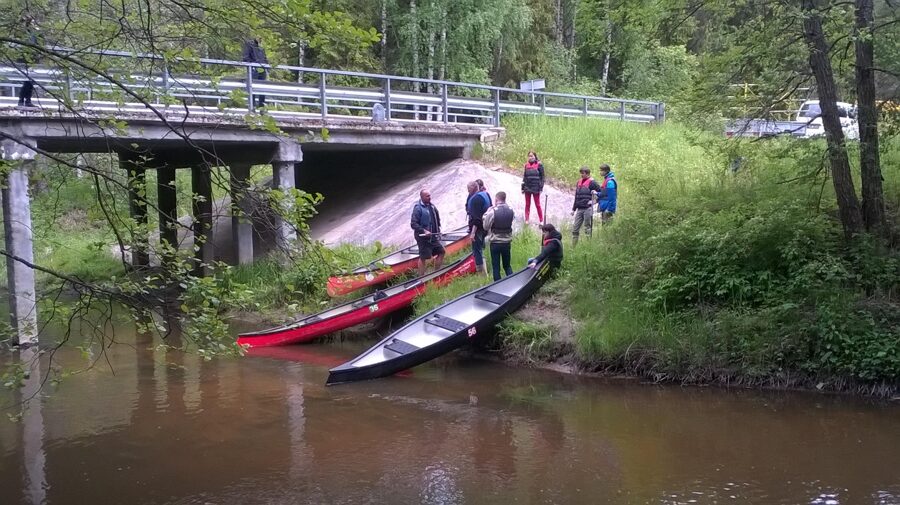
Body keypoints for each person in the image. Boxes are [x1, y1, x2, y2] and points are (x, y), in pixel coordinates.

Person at [411, 189, 445, 276]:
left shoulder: (432, 206)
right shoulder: (418, 209)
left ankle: (436, 273)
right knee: (423, 258)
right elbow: (413, 224)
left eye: (430, 195)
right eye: (427, 196)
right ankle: (421, 278)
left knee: (441, 252)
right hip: (423, 238)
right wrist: (424, 230)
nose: (430, 197)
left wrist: (438, 230)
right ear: (422, 197)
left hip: (433, 237)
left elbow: (436, 219)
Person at [482, 191, 514, 281]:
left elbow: (485, 226)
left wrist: (486, 213)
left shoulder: (492, 212)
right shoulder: (511, 210)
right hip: (507, 242)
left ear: (496, 199)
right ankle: (512, 283)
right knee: (507, 266)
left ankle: (498, 286)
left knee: (496, 267)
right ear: (505, 198)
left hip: (495, 242)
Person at [571, 166, 602, 246]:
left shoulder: (593, 183)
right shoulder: (579, 182)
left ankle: (589, 245)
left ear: (587, 173)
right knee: (575, 229)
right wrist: (573, 209)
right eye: (581, 173)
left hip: (588, 209)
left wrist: (594, 201)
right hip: (579, 209)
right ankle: (573, 247)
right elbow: (576, 196)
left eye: (582, 173)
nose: (581, 175)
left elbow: (602, 193)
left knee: (587, 228)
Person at [466, 181, 491, 275]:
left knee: (477, 250)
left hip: (478, 228)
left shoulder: (475, 199)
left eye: (468, 189)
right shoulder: (485, 194)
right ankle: (484, 270)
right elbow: (490, 208)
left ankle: (482, 274)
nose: (468, 191)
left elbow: (476, 219)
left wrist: (472, 233)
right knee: (480, 248)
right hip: (485, 226)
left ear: (473, 188)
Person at [17, 16, 40, 108]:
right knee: (28, 81)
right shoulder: (24, 34)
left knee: (30, 81)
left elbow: (37, 45)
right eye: (33, 23)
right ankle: (23, 100)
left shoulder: (33, 34)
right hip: (25, 60)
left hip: (32, 60)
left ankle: (26, 100)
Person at [241, 38, 269, 109]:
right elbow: (245, 57)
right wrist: (253, 65)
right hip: (253, 69)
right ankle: (252, 106)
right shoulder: (249, 44)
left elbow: (264, 57)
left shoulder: (261, 46)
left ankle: (261, 107)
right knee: (252, 87)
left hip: (262, 69)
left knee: (262, 88)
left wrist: (266, 66)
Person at [521, 150, 545, 224]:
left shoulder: (539, 165)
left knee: (537, 204)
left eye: (532, 156)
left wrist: (541, 188)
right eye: (529, 156)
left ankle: (541, 220)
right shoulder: (526, 165)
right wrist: (522, 188)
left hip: (536, 188)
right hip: (527, 187)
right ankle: (527, 219)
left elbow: (542, 177)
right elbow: (524, 177)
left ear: (535, 156)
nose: (530, 157)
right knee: (527, 204)